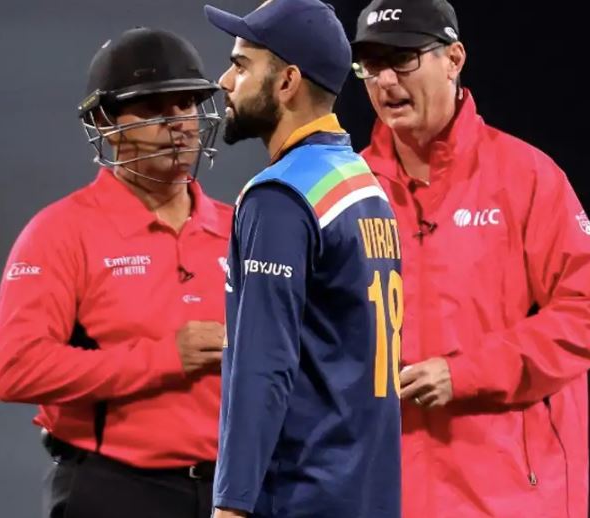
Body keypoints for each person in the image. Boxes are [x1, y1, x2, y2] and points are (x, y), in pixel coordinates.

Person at [350, 0, 590, 516]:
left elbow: (582, 311)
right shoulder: (346, 188)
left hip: (508, 491)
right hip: (382, 489)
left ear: (454, 59)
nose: (385, 81)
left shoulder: (526, 175)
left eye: (404, 58)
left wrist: (466, 372)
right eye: (371, 65)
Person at [0, 27, 232, 518]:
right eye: (153, 109)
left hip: (231, 492)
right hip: (115, 489)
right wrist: (164, 358)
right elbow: (14, 368)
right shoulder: (61, 232)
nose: (179, 124)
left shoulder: (241, 227)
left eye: (187, 104)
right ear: (106, 123)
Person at [204, 1, 402, 517]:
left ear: (288, 81)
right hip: (367, 494)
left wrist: (230, 504)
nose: (225, 80)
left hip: (300, 496)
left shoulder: (281, 196)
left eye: (242, 64)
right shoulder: (365, 184)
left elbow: (262, 365)